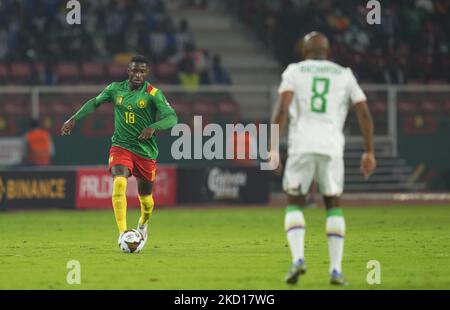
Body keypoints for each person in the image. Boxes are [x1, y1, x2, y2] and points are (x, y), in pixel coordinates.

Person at [270, 32, 376, 285]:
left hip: (301, 146)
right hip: (331, 147)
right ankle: (336, 270)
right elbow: (363, 113)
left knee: (294, 203)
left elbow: (282, 109)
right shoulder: (344, 74)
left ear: (305, 51)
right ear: (328, 51)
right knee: (333, 204)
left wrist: (272, 147)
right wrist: (369, 151)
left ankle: (298, 260)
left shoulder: (294, 71)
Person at [60, 55, 178, 249]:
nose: (138, 75)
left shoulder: (153, 93)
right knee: (120, 182)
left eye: (142, 71)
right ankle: (123, 233)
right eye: (134, 70)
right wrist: (74, 118)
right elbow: (95, 102)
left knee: (146, 201)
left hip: (145, 152)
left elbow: (172, 117)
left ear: (147, 73)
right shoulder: (115, 89)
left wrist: (154, 127)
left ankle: (142, 224)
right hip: (121, 147)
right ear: (128, 71)